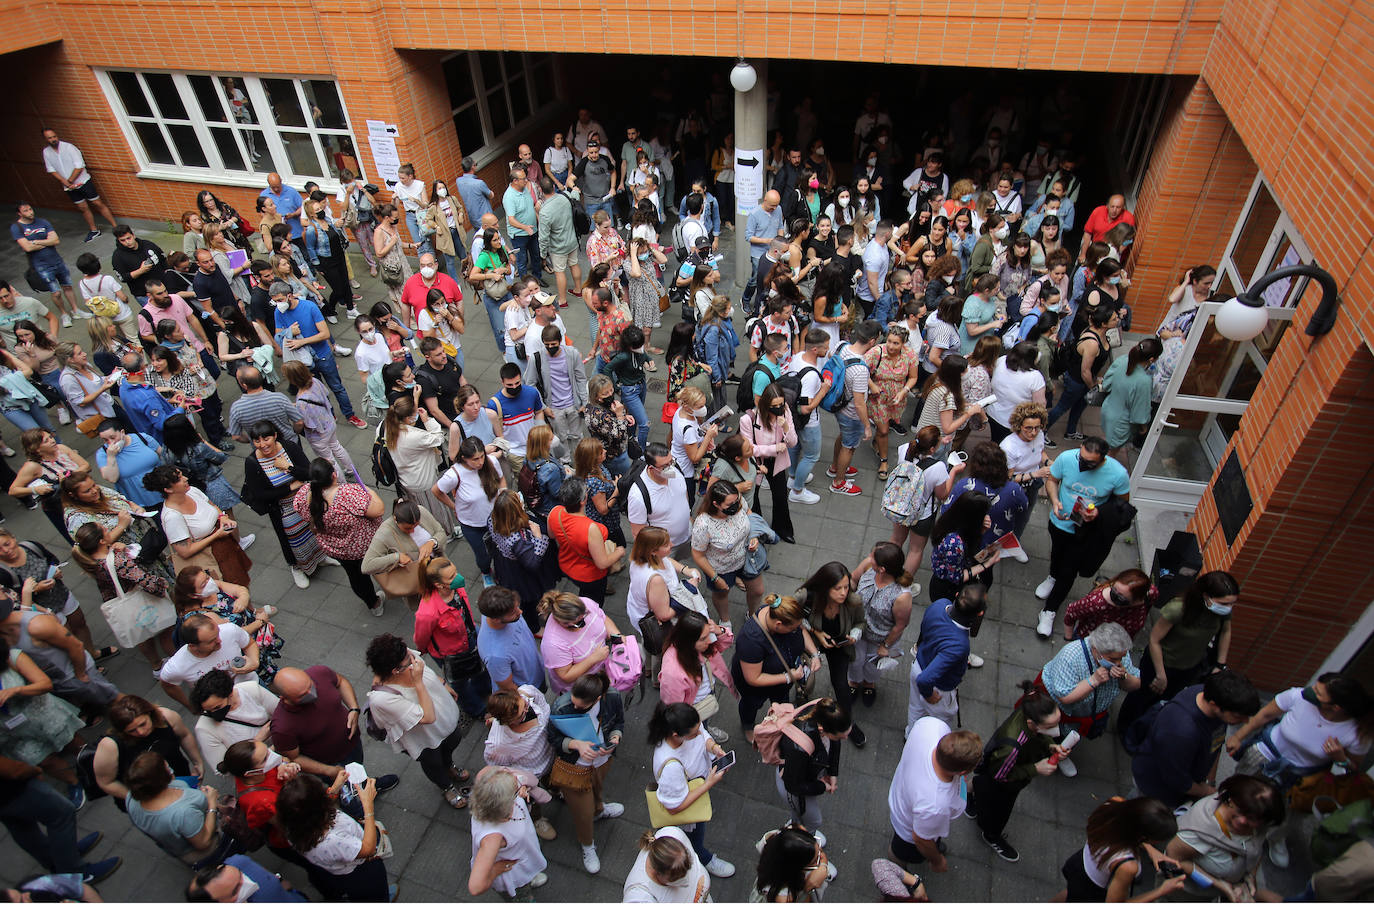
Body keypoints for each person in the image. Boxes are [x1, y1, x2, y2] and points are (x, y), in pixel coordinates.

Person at [1116, 570, 1239, 733]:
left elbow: (1225, 632)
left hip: (1189, 667)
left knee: (1164, 699)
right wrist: (1160, 675)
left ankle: (1146, 727)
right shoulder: (1178, 609)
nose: (1228, 608)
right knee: (1142, 697)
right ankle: (1125, 728)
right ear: (1205, 596)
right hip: (1161, 664)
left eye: (1231, 604)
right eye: (1223, 603)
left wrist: (1220, 664)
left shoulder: (1222, 613)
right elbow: (1154, 640)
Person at [1035, 436, 1132, 638]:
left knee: (1069, 571)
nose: (1083, 465)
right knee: (1057, 553)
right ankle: (1052, 576)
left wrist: (1099, 512)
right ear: (1079, 449)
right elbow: (1053, 480)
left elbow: (1122, 506)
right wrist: (1054, 501)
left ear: (1103, 458)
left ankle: (1049, 610)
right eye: (1082, 458)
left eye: (1090, 463)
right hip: (1060, 522)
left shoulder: (1118, 474)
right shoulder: (1066, 458)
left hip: (1086, 531)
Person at [968, 680, 1071, 863]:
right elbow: (1001, 776)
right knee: (997, 812)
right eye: (1050, 727)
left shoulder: (1027, 713)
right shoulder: (1011, 748)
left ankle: (969, 799)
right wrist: (1035, 768)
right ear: (1032, 723)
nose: (1055, 730)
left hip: (996, 768)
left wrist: (1050, 746)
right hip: (1002, 783)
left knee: (982, 785)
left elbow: (1040, 735)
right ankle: (991, 835)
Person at [1226, 672, 1373, 796]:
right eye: (1315, 686)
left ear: (1335, 707)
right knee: (1233, 790)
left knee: (1264, 810)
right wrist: (1238, 737)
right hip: (1263, 754)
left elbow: (1354, 768)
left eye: (1318, 693)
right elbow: (1264, 715)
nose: (1310, 691)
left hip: (1297, 777)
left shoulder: (1356, 734)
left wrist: (1340, 758)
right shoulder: (1297, 696)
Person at [1132, 670, 1260, 810]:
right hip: (1156, 790)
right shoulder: (1181, 732)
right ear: (1214, 705)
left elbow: (1215, 744)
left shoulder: (1207, 694)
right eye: (1238, 716)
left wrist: (1209, 782)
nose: (1245, 721)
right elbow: (1177, 780)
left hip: (1185, 782)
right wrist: (1208, 792)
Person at [269, 666, 398, 794]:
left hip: (352, 744)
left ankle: (366, 786)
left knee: (358, 771)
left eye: (310, 685)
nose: (311, 693)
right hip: (328, 763)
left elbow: (340, 682)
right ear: (283, 698)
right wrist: (328, 770)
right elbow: (294, 757)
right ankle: (357, 805)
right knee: (344, 792)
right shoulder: (282, 727)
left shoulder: (319, 673)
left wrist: (354, 708)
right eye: (302, 695)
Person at [645, 701, 737, 878]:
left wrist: (714, 747)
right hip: (688, 805)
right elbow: (675, 807)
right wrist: (709, 783)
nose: (698, 733)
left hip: (697, 784)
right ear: (676, 734)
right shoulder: (670, 765)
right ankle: (702, 859)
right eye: (693, 733)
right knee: (693, 838)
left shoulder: (687, 724)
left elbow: (703, 734)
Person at [546, 670, 626, 875]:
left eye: (580, 706)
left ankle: (599, 810)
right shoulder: (561, 707)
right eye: (573, 702)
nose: (574, 706)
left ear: (598, 699)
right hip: (575, 766)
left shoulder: (613, 697)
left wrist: (615, 737)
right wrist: (576, 745)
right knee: (582, 812)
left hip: (602, 759)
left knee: (598, 790)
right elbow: (552, 737)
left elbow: (618, 722)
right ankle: (587, 845)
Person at [1165, 776, 1285, 903]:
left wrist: (1250, 877)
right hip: (1191, 892)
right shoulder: (1198, 830)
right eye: (1240, 810)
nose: (1242, 821)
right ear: (1230, 799)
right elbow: (1173, 859)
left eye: (1252, 818)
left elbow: (1254, 848)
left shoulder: (1260, 822)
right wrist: (1220, 885)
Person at [1041, 622, 1142, 771]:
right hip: (1060, 712)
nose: (1118, 662)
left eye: (1121, 657)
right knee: (1051, 734)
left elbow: (1136, 684)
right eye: (1113, 659)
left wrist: (1124, 675)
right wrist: (1093, 681)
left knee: (1071, 737)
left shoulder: (1119, 654)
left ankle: (1062, 753)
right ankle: (1046, 754)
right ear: (1096, 650)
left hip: (1089, 713)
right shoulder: (1071, 656)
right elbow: (1065, 697)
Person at [275, 774, 391, 902]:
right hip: (363, 872)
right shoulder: (331, 841)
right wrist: (368, 806)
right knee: (377, 895)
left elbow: (309, 811)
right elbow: (368, 849)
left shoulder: (294, 828)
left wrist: (334, 790)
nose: (326, 792)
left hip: (341, 874)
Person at [239, 422, 326, 589]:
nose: (263, 444)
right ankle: (297, 567)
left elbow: (309, 472)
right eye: (257, 441)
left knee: (314, 530)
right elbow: (260, 494)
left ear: (275, 435)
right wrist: (289, 487)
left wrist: (289, 468)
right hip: (282, 510)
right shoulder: (252, 462)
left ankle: (320, 557)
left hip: (304, 502)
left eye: (266, 438)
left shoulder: (289, 447)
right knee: (291, 540)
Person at [887, 718, 982, 871]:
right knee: (899, 853)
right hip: (907, 830)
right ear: (962, 772)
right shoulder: (935, 804)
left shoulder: (932, 726)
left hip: (904, 796)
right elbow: (920, 838)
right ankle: (897, 873)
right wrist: (937, 860)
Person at [294, 458, 385, 615]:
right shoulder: (347, 494)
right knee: (381, 565)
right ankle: (393, 586)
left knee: (356, 577)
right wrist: (371, 492)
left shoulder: (304, 496)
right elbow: (377, 510)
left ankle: (374, 604)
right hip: (363, 544)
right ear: (334, 475)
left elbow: (299, 509)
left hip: (335, 548)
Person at [269, 282, 365, 429]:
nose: (278, 304)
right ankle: (329, 414)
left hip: (323, 355)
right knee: (317, 391)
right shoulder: (278, 312)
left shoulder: (309, 307)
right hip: (304, 361)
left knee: (337, 387)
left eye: (280, 300)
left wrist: (301, 341)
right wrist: (289, 332)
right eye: (275, 301)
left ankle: (349, 415)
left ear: (289, 295)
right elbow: (278, 337)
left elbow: (325, 334)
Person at [1054, 796, 1183, 903]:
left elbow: (1129, 830)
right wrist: (1161, 891)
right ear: (1144, 836)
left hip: (1079, 863)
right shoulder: (1127, 866)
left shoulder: (1114, 804)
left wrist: (1152, 851)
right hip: (1091, 889)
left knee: (1070, 893)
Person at [730, 594, 820, 741]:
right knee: (751, 705)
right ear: (778, 625)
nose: (796, 630)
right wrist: (788, 676)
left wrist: (815, 654)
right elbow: (754, 678)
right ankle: (748, 726)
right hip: (756, 688)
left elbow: (801, 630)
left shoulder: (781, 612)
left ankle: (780, 721)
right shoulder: (751, 640)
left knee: (781, 701)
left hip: (784, 679)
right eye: (792, 629)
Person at [412, 555, 491, 719]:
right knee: (460, 685)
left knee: (480, 669)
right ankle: (476, 709)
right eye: (452, 577)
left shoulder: (457, 590)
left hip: (470, 636)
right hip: (450, 653)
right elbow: (421, 638)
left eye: (456, 572)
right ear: (439, 585)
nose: (458, 578)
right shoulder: (428, 612)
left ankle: (485, 691)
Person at [123, 751, 230, 865]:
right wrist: (212, 803)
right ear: (160, 779)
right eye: (167, 768)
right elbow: (203, 842)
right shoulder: (182, 812)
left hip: (176, 848)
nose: (171, 770)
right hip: (208, 850)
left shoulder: (132, 797)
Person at [774, 696, 852, 846]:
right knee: (814, 821)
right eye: (843, 735)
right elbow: (794, 786)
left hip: (801, 777)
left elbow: (835, 740)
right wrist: (823, 786)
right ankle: (803, 847)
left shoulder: (825, 712)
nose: (847, 738)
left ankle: (796, 827)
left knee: (800, 815)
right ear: (823, 730)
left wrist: (832, 772)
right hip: (792, 786)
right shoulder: (799, 748)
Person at [908, 584, 986, 732]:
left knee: (915, 708)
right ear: (980, 613)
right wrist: (929, 695)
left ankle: (910, 733)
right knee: (940, 722)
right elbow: (924, 680)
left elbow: (924, 631)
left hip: (918, 664)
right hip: (937, 685)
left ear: (956, 595)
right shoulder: (959, 645)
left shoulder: (940, 604)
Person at [433, 435, 506, 588]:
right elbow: (437, 491)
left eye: (481, 457)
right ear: (464, 458)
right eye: (475, 459)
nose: (480, 462)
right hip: (472, 524)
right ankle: (486, 573)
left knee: (500, 550)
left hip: (496, 518)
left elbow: (501, 479)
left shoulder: (491, 462)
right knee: (482, 555)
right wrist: (454, 507)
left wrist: (504, 495)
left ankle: (501, 572)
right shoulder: (454, 475)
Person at [467, 765, 550, 898]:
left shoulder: (490, 788)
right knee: (523, 898)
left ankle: (529, 876)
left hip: (522, 856)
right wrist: (495, 870)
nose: (518, 781)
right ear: (504, 804)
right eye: (515, 790)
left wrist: (521, 786)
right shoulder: (493, 838)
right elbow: (475, 887)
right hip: (513, 875)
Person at [692, 479, 764, 625]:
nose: (736, 505)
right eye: (730, 505)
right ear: (716, 504)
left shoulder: (737, 500)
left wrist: (754, 536)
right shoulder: (703, 524)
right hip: (722, 568)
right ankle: (725, 620)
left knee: (758, 591)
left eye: (737, 501)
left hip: (747, 559)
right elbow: (698, 555)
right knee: (722, 594)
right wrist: (715, 578)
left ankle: (752, 616)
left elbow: (749, 513)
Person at [188, 669, 279, 779]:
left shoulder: (251, 690)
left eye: (218, 707)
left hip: (283, 747)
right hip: (260, 774)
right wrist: (256, 741)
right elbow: (223, 769)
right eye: (208, 710)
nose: (214, 713)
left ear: (230, 693)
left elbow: (281, 713)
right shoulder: (204, 728)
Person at [826, 321, 881, 496]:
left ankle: (835, 467)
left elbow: (830, 358)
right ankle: (839, 482)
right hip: (851, 413)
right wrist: (866, 426)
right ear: (872, 341)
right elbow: (859, 403)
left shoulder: (841, 346)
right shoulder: (861, 369)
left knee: (843, 437)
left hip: (839, 404)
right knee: (849, 446)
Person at [740, 383, 798, 542]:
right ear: (766, 405)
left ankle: (783, 528)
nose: (779, 408)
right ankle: (759, 532)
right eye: (774, 406)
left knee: (780, 496)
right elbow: (749, 448)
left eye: (781, 404)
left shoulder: (785, 412)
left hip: (777, 461)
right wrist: (773, 448)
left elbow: (792, 443)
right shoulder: (748, 419)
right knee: (754, 498)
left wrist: (786, 427)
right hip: (756, 463)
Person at [864, 324, 922, 479]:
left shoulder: (910, 355)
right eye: (889, 341)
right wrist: (872, 385)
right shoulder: (876, 352)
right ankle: (884, 461)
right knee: (884, 430)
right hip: (878, 398)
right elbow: (861, 369)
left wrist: (904, 391)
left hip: (897, 398)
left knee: (887, 424)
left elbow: (913, 377)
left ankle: (877, 441)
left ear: (903, 344)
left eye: (896, 343)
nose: (890, 346)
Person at [10, 428, 86, 541]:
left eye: (50, 437)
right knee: (83, 537)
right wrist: (35, 490)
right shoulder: (32, 467)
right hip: (62, 508)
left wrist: (69, 478)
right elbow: (13, 490)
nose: (52, 441)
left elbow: (86, 466)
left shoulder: (62, 449)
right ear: (36, 449)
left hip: (84, 495)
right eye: (46, 441)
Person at [12, 203, 80, 326]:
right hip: (41, 265)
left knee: (67, 286)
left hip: (57, 260)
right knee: (56, 292)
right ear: (19, 213)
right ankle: (64, 314)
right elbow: (27, 247)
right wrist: (47, 242)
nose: (30, 212)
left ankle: (76, 310)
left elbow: (56, 240)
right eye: (26, 211)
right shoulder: (17, 227)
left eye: (30, 209)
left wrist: (36, 241)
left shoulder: (42, 222)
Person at [41, 130, 117, 240]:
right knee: (82, 207)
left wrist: (70, 180)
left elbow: (79, 165)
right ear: (45, 139)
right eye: (50, 138)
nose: (53, 139)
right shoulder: (46, 152)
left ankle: (115, 227)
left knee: (97, 203)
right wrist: (65, 182)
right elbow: (51, 169)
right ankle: (94, 230)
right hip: (68, 186)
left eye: (54, 136)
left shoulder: (69, 147)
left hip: (83, 181)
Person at [1098, 337, 1163, 462]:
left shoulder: (1123, 360)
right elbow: (1140, 412)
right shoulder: (1144, 381)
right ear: (1151, 359)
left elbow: (1106, 384)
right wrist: (1144, 428)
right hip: (1120, 423)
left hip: (1108, 410)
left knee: (1106, 445)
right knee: (1110, 455)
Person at [476, 585, 545, 692]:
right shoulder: (495, 655)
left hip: (536, 672)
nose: (520, 612)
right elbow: (508, 687)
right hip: (530, 687)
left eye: (517, 607)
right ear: (496, 619)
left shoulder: (498, 606)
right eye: (513, 613)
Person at [624, 825, 712, 903]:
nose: (687, 880)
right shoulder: (639, 897)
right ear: (657, 872)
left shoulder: (673, 834)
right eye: (676, 878)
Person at [186, 854, 308, 903]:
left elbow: (266, 873)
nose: (247, 882)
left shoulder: (238, 862)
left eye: (241, 874)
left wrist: (279, 881)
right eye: (235, 890)